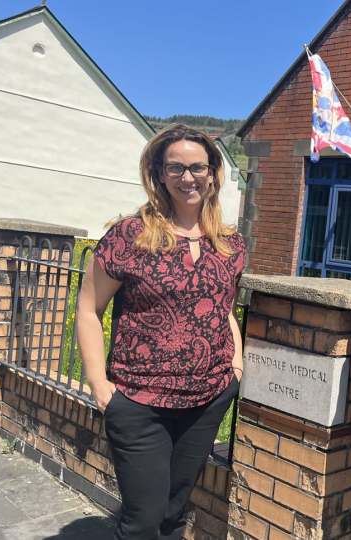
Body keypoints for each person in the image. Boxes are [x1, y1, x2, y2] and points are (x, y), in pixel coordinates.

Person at [77, 124, 246, 540]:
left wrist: (235, 368)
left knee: (174, 514)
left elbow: (222, 308)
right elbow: (87, 310)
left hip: (207, 400)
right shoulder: (130, 236)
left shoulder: (230, 243)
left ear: (213, 173)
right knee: (142, 521)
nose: (188, 177)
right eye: (176, 167)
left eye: (197, 167)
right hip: (139, 402)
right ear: (159, 172)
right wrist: (100, 386)